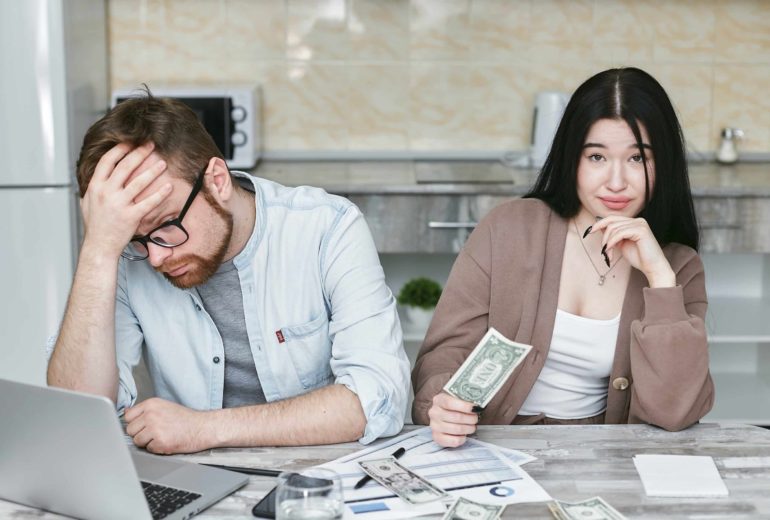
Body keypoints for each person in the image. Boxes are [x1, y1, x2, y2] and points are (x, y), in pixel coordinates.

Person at [47, 92, 410, 454]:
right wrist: (98, 248)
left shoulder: (327, 227)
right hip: (194, 481)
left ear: (217, 181)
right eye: (137, 239)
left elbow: (377, 396)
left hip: (319, 477)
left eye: (166, 226)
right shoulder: (127, 256)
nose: (155, 258)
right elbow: (76, 417)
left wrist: (204, 428)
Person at [411, 67, 713, 447]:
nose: (617, 181)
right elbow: (445, 351)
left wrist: (660, 279)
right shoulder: (508, 228)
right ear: (572, 159)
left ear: (663, 164)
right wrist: (443, 401)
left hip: (604, 456)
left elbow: (677, 413)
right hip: (490, 444)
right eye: (597, 157)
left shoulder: (677, 266)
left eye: (637, 159)